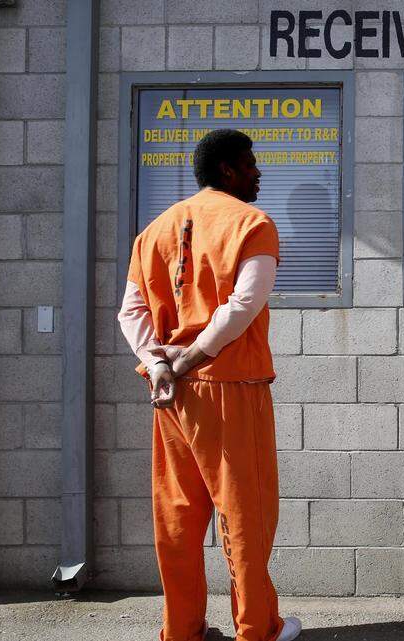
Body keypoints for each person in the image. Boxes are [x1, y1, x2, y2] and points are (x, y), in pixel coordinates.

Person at [117, 129, 300, 641]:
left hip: (170, 396)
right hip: (231, 384)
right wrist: (192, 356)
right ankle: (257, 629)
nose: (258, 172)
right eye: (250, 164)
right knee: (245, 514)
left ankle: (182, 630)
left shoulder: (154, 230)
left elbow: (130, 312)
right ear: (227, 169)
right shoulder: (252, 224)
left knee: (177, 516)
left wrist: (159, 365)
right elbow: (243, 306)